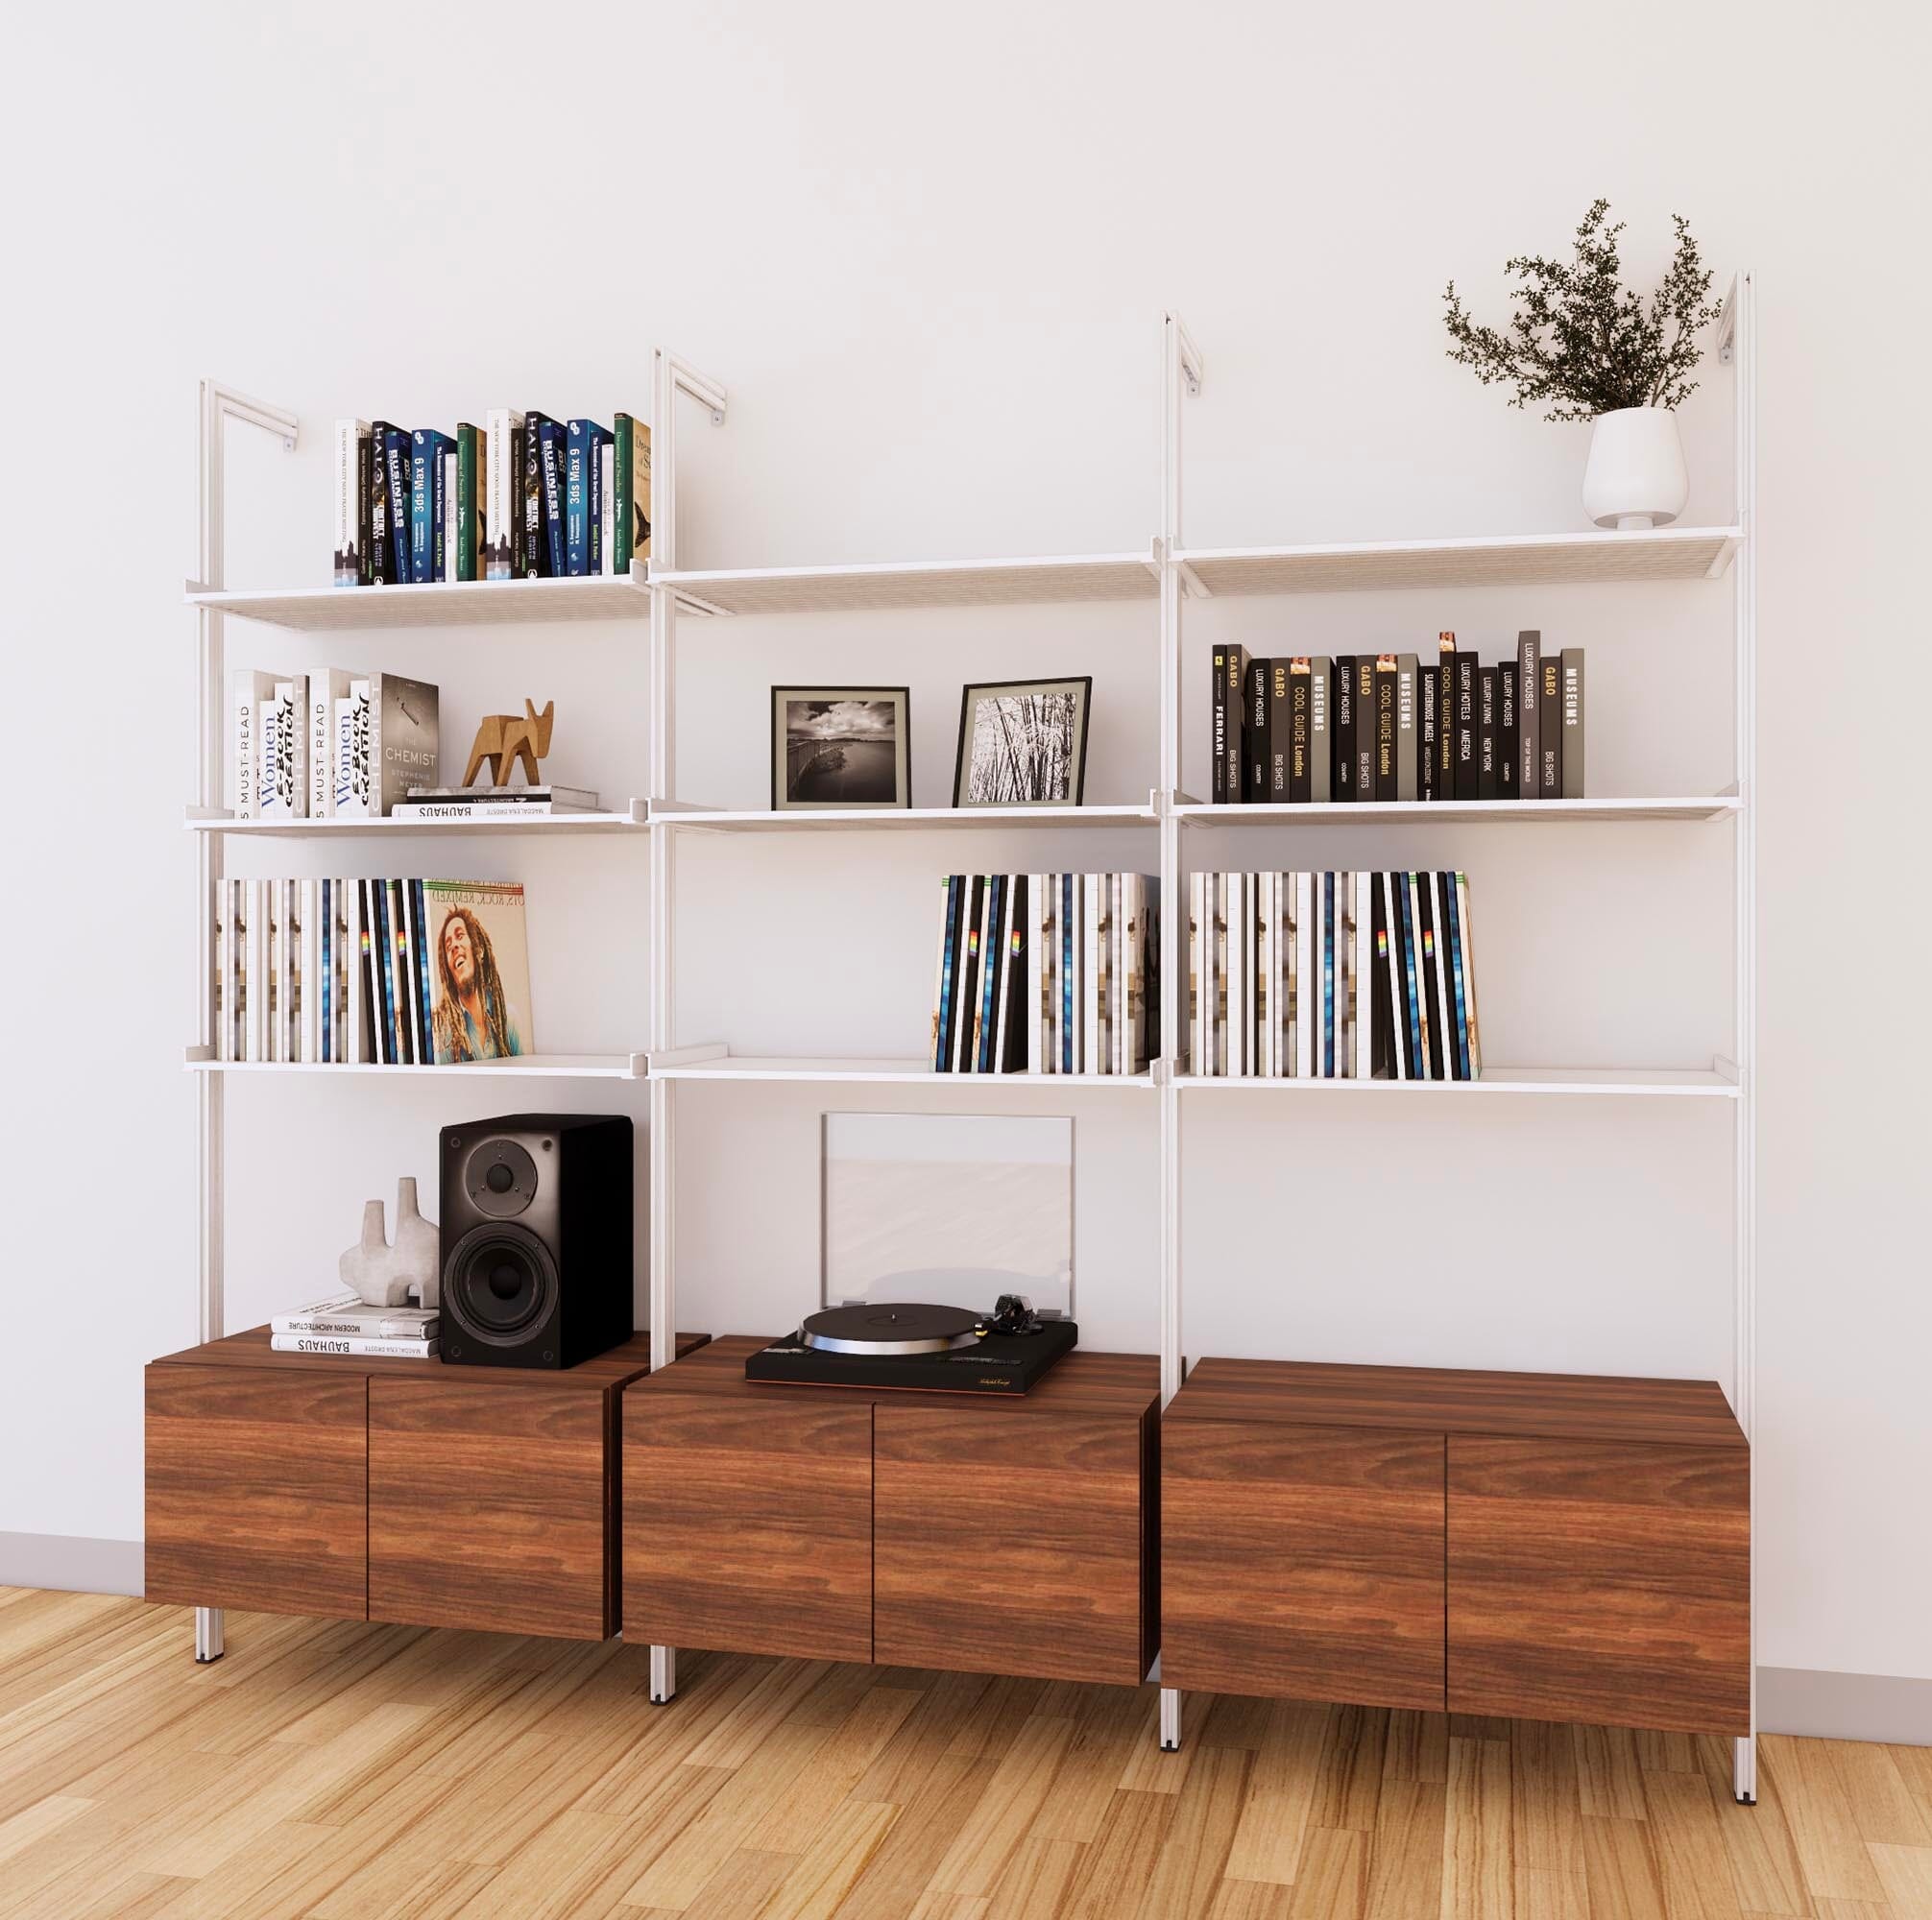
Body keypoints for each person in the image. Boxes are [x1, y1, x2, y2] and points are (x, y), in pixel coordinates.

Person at [431, 903, 524, 1062]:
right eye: (448, 946)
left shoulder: (508, 1019)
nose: (454, 946)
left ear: (479, 949)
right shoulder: (445, 1037)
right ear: (449, 971)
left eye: (460, 935)